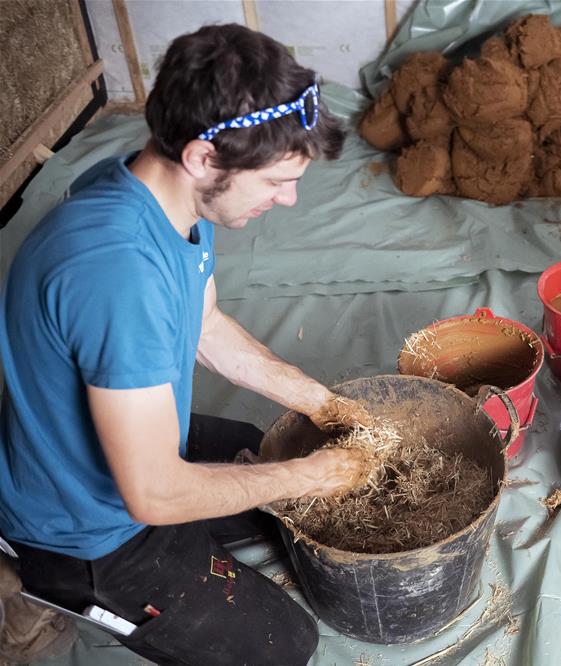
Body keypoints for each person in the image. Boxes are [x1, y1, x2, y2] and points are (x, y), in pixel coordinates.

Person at [0, 24, 374, 665]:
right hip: (84, 527)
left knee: (264, 464)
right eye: (276, 180)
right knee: (282, 645)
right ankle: (33, 591)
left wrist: (322, 403)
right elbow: (154, 495)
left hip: (122, 446)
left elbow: (205, 326)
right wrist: (311, 475)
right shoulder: (117, 274)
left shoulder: (152, 194)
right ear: (204, 157)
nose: (289, 199)